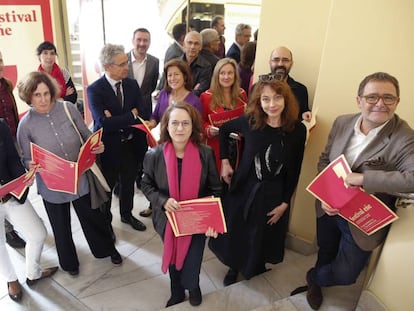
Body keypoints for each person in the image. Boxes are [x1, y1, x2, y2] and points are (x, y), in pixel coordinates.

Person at [293, 72, 414, 310]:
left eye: (388, 97)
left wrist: (364, 178)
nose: (380, 103)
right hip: (329, 207)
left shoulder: (404, 136)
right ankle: (316, 284)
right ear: (359, 100)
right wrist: (327, 195)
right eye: (372, 97)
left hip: (361, 219)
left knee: (347, 273)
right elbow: (325, 159)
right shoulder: (342, 122)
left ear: (397, 101)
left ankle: (314, 277)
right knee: (326, 248)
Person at [17, 71, 122, 276]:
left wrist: (96, 146)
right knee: (61, 228)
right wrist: (30, 165)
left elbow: (86, 135)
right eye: (37, 95)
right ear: (29, 96)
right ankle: (69, 264)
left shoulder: (68, 108)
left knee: (93, 218)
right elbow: (25, 158)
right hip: (52, 186)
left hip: (79, 177)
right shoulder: (25, 125)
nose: (44, 99)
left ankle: (107, 249)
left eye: (46, 93)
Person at [209, 79, 306, 286]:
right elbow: (225, 130)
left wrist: (285, 202)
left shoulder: (297, 130)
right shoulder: (251, 121)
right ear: (259, 101)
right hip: (245, 186)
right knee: (239, 229)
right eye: (266, 99)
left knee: (263, 231)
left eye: (277, 98)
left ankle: (256, 265)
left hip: (275, 190)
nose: (272, 104)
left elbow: (295, 168)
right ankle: (234, 266)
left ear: (286, 99)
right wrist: (225, 162)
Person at [141, 102, 221, 307]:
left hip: (197, 220)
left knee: (192, 259)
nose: (180, 128)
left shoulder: (205, 153)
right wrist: (162, 201)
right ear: (166, 126)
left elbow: (216, 189)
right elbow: (146, 184)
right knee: (175, 256)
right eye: (175, 123)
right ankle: (176, 291)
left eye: (185, 124)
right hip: (167, 220)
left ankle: (193, 286)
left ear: (193, 127)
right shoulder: (154, 155)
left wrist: (214, 220)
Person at [87, 44, 147, 234]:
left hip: (130, 144)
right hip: (108, 148)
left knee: (128, 184)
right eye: (121, 64)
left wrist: (116, 119)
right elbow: (103, 123)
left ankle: (127, 214)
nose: (126, 66)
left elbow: (142, 112)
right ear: (107, 67)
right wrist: (130, 115)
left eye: (126, 62)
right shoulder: (94, 90)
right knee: (107, 188)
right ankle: (106, 224)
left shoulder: (131, 84)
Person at [1, 119, 58, 302]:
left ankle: (33, 273)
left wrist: (23, 179)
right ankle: (12, 280)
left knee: (38, 233)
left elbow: (12, 158)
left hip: (10, 194)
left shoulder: (0, 125)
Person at [126, 27, 159, 216]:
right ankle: (124, 182)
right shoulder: (122, 59)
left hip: (145, 113)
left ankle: (140, 178)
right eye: (139, 40)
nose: (142, 44)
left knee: (141, 148)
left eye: (145, 40)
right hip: (125, 112)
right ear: (133, 40)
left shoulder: (154, 62)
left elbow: (152, 86)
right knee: (125, 149)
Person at [200, 58, 247, 173]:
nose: (226, 77)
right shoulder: (206, 97)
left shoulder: (242, 94)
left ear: (235, 75)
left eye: (230, 73)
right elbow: (200, 121)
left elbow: (247, 118)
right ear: (217, 75)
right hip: (216, 145)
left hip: (236, 146)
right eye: (222, 73)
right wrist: (208, 129)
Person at [0, 50, 26, 249]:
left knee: (16, 181)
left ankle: (19, 219)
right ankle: (8, 231)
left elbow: (12, 113)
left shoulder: (6, 85)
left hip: (12, 140)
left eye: (0, 60)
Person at [146, 59, 202, 130]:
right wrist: (152, 123)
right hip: (161, 139)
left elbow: (198, 128)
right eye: (169, 75)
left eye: (176, 74)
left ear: (185, 76)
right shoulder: (163, 94)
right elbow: (155, 116)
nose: (172, 78)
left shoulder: (195, 101)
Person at [266, 46, 311, 121]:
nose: (280, 64)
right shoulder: (257, 88)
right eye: (276, 60)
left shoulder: (301, 90)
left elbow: (303, 113)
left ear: (291, 63)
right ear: (270, 62)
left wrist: (305, 115)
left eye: (285, 60)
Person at [180, 31, 212, 96]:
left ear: (200, 47)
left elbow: (201, 92)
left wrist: (180, 92)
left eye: (196, 43)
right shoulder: (175, 64)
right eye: (189, 43)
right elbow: (168, 88)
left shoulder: (206, 66)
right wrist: (193, 91)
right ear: (184, 44)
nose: (192, 47)